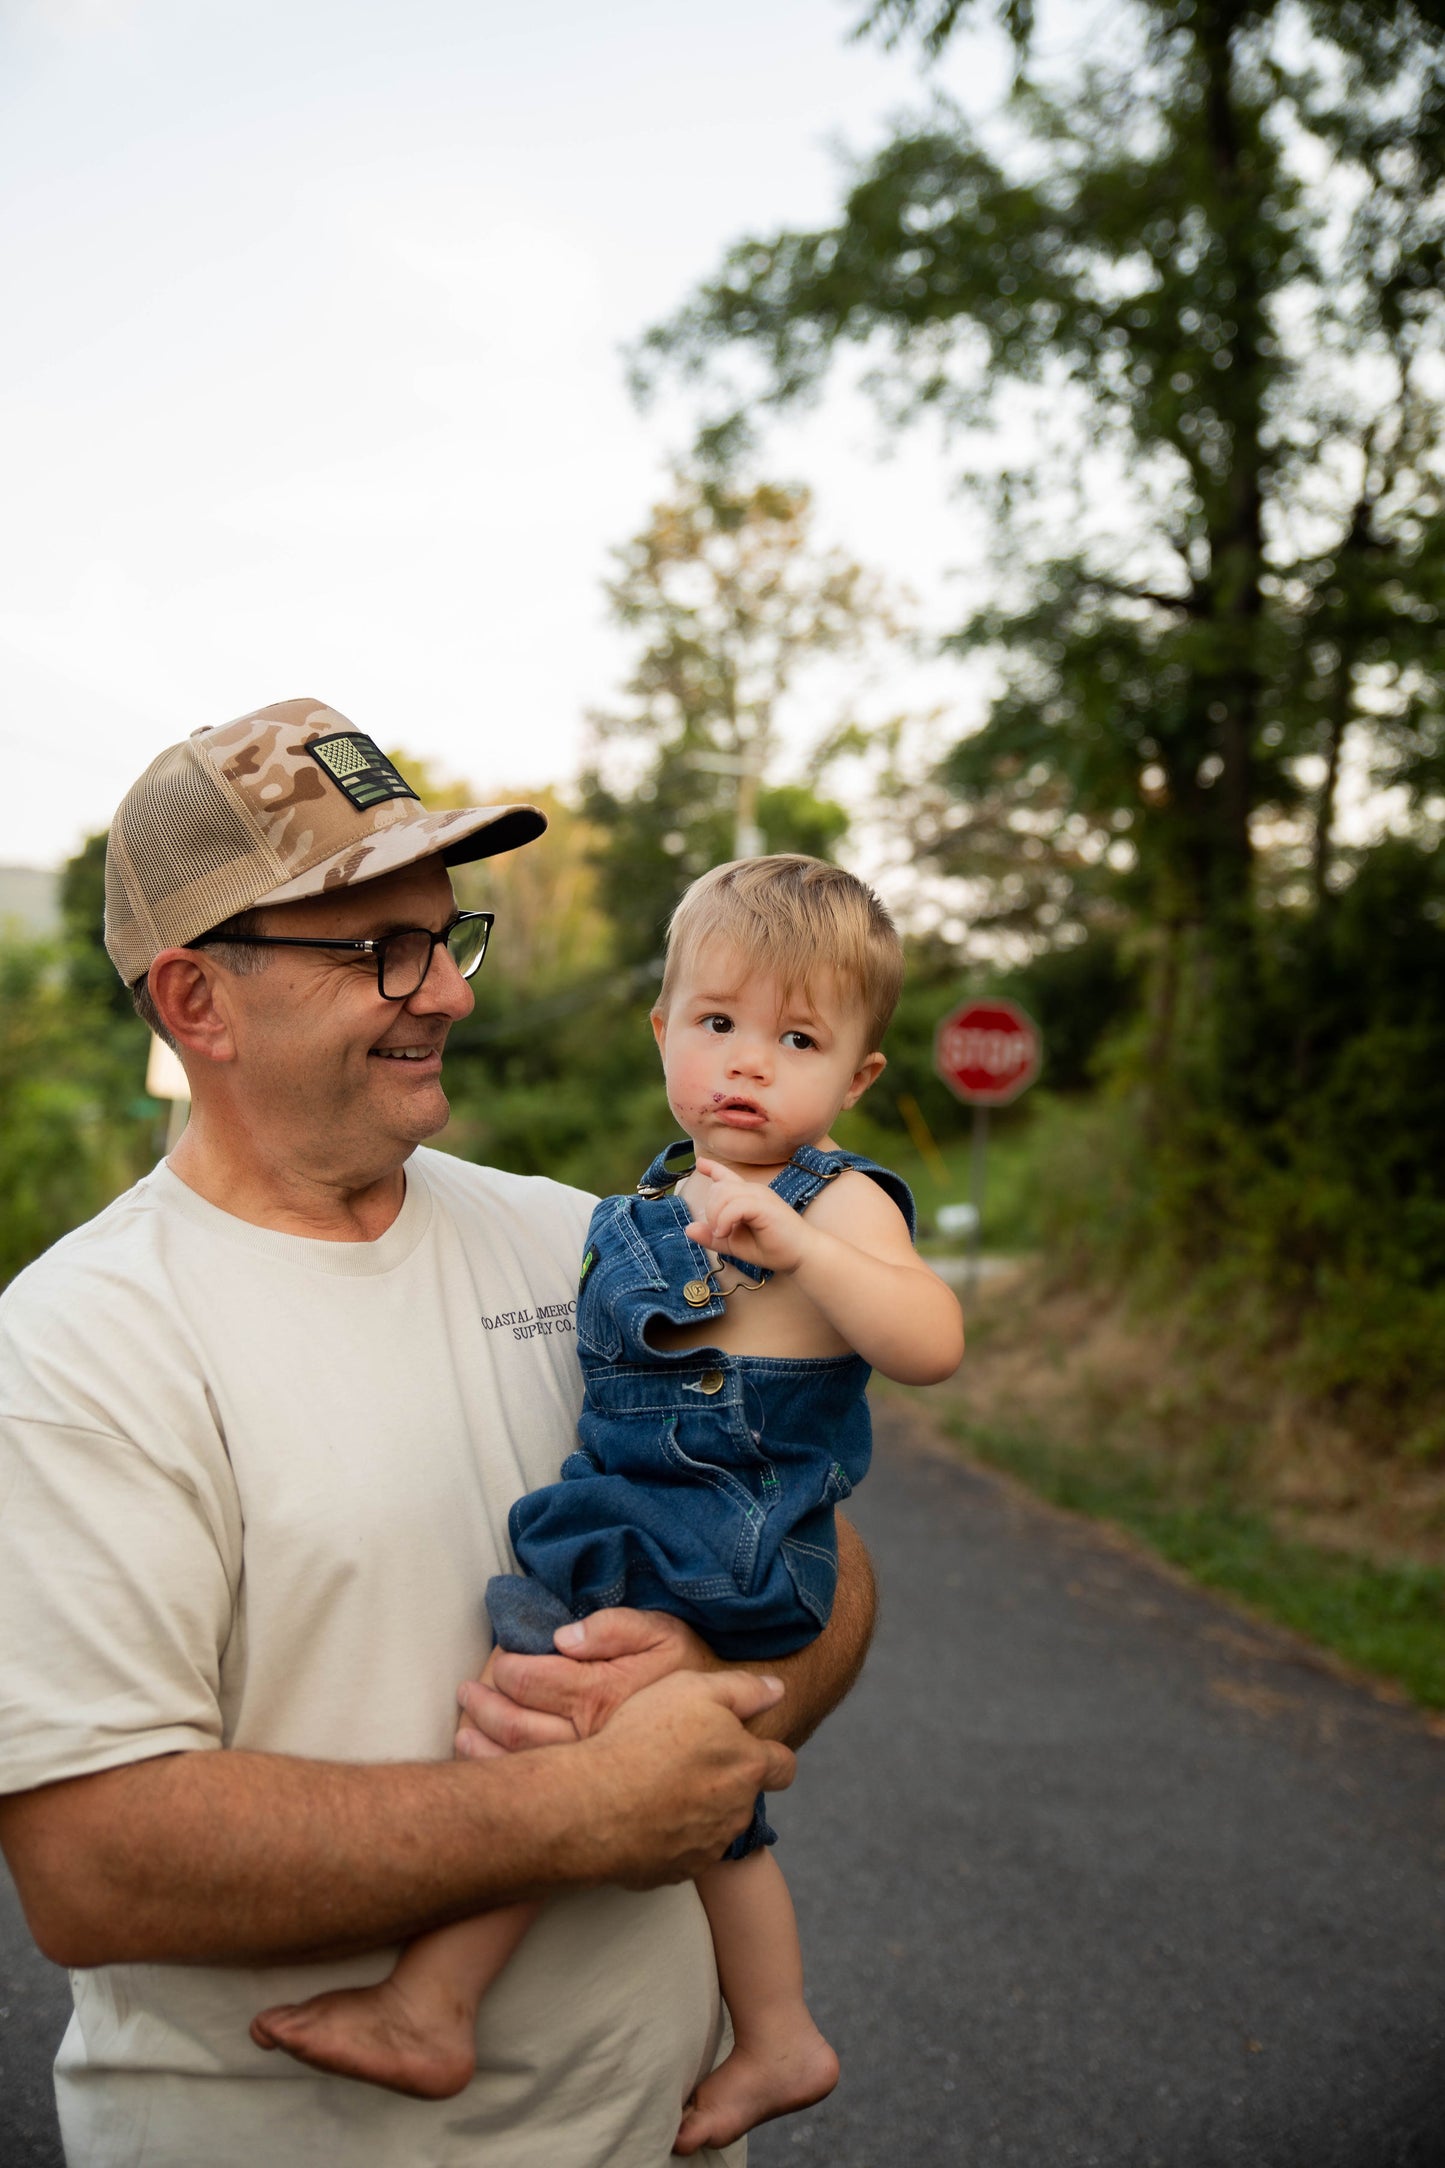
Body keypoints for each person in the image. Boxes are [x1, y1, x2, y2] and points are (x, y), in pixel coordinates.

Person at [0, 701, 880, 2168]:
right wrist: (574, 1810)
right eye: (374, 951)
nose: (447, 993)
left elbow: (829, 1566)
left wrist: (722, 1667)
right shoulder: (82, 1346)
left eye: (441, 936)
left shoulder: (591, 1244)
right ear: (196, 1001)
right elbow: (95, 1866)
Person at [249, 854, 965, 2157]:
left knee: (543, 1727)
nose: (748, 1064)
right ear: (663, 1031)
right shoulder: (643, 1200)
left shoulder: (836, 1197)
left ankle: (433, 2001)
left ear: (857, 1078)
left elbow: (928, 1339)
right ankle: (776, 2030)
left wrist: (806, 1249)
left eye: (796, 1039)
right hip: (640, 1519)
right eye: (717, 1024)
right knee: (696, 1808)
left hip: (729, 1532)